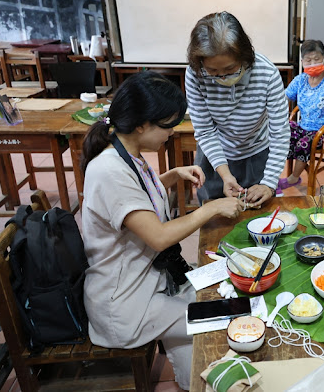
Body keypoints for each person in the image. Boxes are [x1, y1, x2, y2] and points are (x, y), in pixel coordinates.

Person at [81, 72, 243, 390]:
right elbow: (157, 235)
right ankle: (197, 379)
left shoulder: (125, 153)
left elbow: (136, 200)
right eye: (167, 125)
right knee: (222, 316)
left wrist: (170, 175)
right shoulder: (109, 170)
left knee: (220, 287)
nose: (171, 133)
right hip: (127, 305)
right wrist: (210, 207)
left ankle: (189, 382)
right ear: (142, 125)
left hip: (152, 281)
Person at [185, 11, 290, 206]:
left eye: (230, 69)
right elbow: (205, 131)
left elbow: (280, 133)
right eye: (213, 71)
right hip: (214, 155)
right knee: (214, 216)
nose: (222, 77)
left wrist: (268, 183)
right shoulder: (195, 73)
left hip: (257, 153)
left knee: (258, 214)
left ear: (244, 56)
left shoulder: (266, 73)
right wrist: (225, 174)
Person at [278, 39, 324, 193]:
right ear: (302, 61)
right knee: (281, 133)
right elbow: (283, 97)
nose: (313, 63)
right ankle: (271, 178)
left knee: (303, 143)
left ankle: (293, 178)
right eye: (308, 60)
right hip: (304, 126)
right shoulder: (301, 80)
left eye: (317, 59)